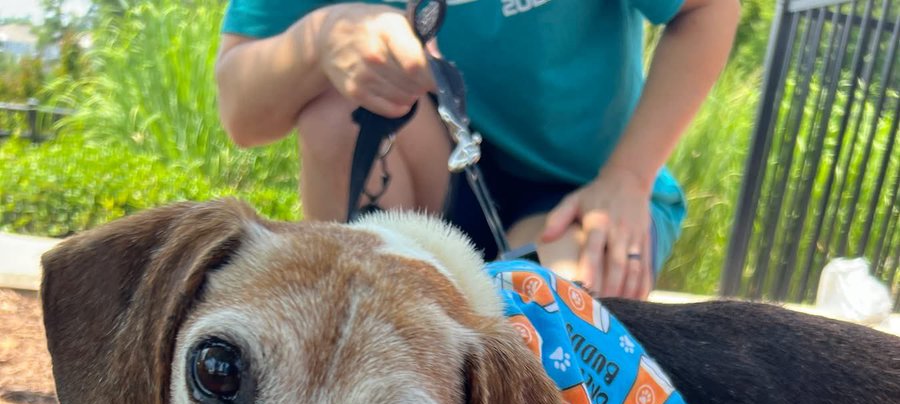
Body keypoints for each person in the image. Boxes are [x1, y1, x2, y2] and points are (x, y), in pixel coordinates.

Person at [216, 0, 739, 298]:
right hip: (426, 173)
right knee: (335, 109)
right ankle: (366, 314)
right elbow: (242, 114)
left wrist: (629, 178)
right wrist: (318, 38)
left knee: (549, 318)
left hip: (582, 194)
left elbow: (708, 8)